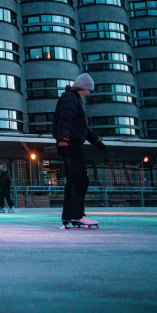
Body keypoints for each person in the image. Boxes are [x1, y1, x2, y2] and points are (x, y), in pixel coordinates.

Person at [52, 73, 106, 229]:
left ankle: (69, 216)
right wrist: (63, 142)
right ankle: (77, 215)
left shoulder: (73, 99)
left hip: (70, 144)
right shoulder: (70, 99)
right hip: (71, 145)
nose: (89, 94)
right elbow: (65, 120)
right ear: (83, 88)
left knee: (73, 181)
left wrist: (96, 142)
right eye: (89, 90)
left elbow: (81, 128)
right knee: (80, 180)